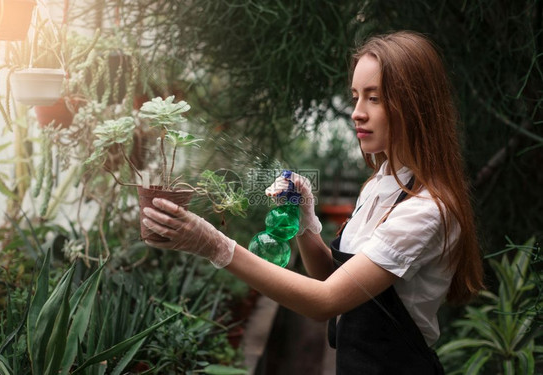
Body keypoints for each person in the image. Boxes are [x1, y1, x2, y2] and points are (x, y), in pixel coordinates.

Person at [141, 30, 484, 374]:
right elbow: (331, 278)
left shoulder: (424, 211)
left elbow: (325, 301)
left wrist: (214, 245)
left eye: (374, 98)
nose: (357, 113)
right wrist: (305, 220)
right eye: (355, 97)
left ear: (415, 105)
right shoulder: (380, 184)